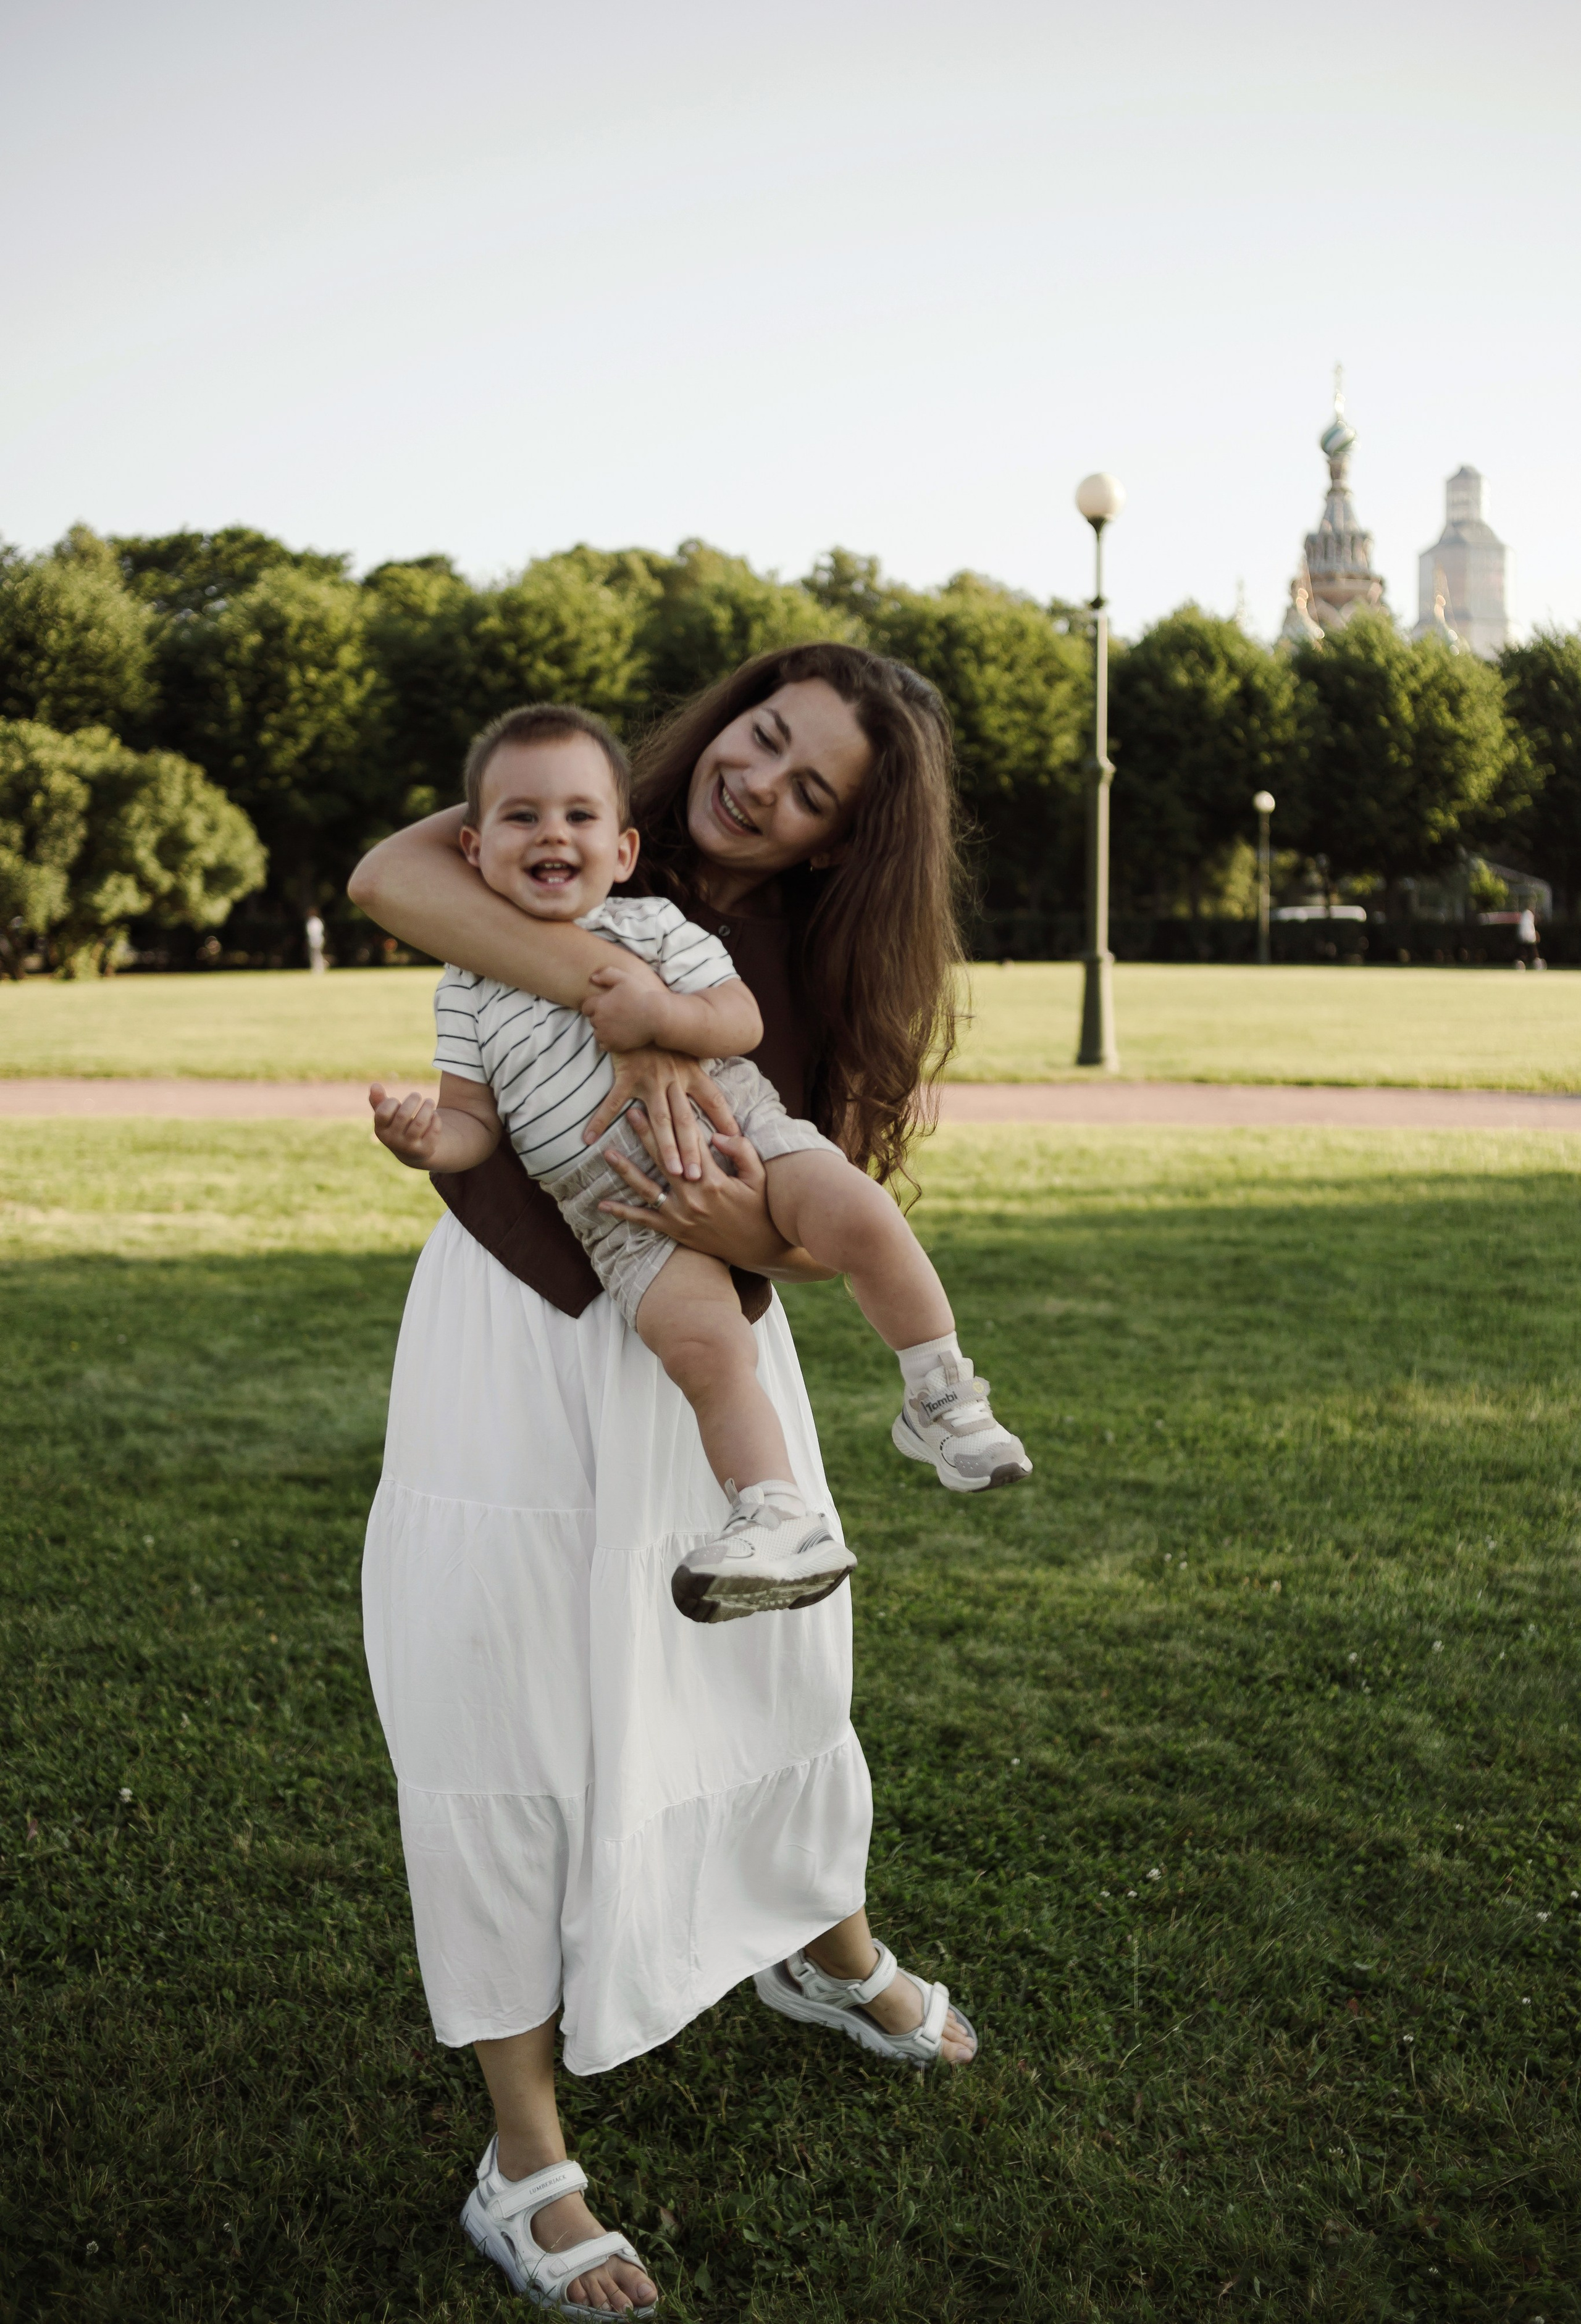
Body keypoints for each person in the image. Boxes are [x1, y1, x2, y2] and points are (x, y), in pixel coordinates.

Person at [350, 644, 985, 2318]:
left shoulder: (822, 966)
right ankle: (525, 2156)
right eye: (758, 738)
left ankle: (824, 1953)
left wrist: (724, 1189)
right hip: (511, 1322)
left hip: (700, 1345)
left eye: (809, 789)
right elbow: (389, 878)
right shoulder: (573, 816)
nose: (756, 784)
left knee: (770, 1668)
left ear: (843, 838)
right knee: (497, 1690)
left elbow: (820, 1226)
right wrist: (614, 1002)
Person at [370, 703, 1029, 1628]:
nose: (553, 834)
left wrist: (659, 1018)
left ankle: (939, 1389)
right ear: (472, 851)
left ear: (623, 851)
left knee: (861, 1212)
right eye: (522, 818)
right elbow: (473, 1121)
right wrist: (425, 1139)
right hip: (617, 1220)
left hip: (746, 1136)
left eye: (578, 817)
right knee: (707, 1353)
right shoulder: (467, 979)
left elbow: (738, 1019)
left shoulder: (653, 925)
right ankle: (776, 1513)